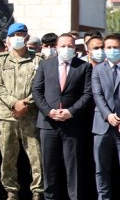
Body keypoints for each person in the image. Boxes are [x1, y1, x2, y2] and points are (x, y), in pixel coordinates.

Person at [31, 33, 92, 200]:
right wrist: (48, 111)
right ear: (56, 47)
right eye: (63, 45)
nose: (67, 49)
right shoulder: (45, 65)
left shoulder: (84, 67)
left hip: (72, 124)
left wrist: (70, 112)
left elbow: (87, 94)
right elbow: (36, 91)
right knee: (49, 166)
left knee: (73, 166)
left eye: (70, 46)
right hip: (48, 123)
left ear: (76, 48)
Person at [0, 23, 44, 200]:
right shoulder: (1, 59)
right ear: (8, 39)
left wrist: (25, 104)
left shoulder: (38, 60)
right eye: (14, 35)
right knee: (8, 155)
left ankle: (38, 191)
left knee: (36, 156)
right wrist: (14, 104)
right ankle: (11, 191)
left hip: (30, 115)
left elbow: (39, 87)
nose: (18, 38)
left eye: (21, 34)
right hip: (7, 115)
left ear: (27, 37)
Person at [91, 34, 120, 200]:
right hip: (102, 125)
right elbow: (97, 95)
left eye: (115, 47)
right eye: (108, 48)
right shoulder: (97, 69)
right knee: (101, 169)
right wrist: (108, 115)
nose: (111, 51)